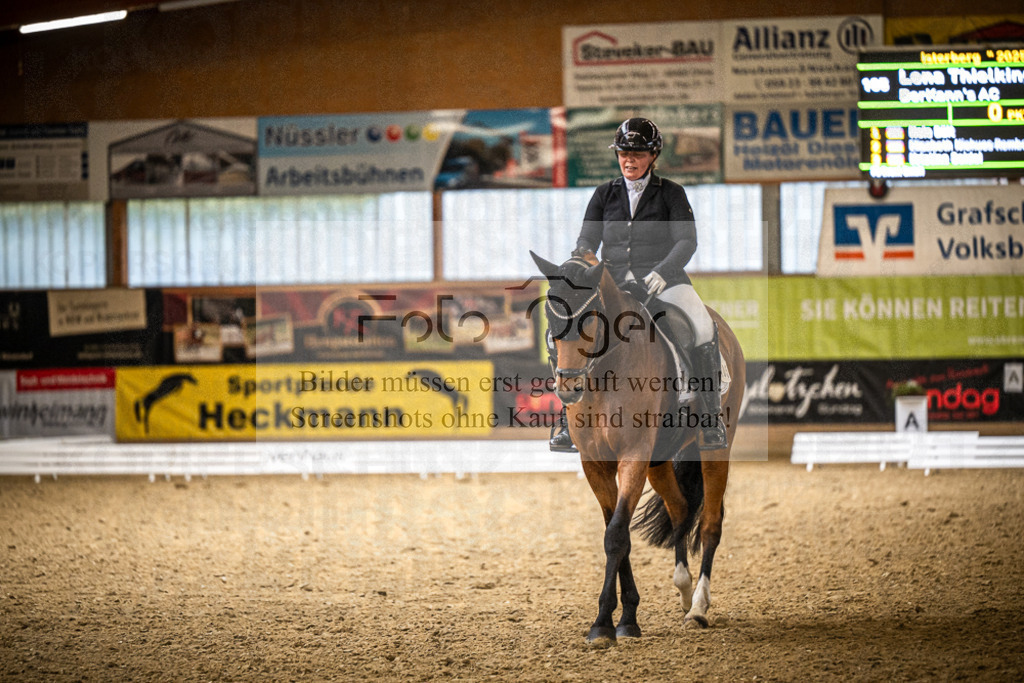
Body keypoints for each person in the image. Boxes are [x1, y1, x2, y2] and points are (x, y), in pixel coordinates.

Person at [548, 117, 727, 452]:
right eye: (623, 153)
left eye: (638, 153)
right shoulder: (604, 194)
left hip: (665, 281)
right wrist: (582, 262)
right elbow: (587, 241)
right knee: (569, 326)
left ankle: (711, 416)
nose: (629, 159)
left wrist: (660, 272)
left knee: (702, 327)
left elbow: (686, 241)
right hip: (612, 283)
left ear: (653, 155)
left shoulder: (672, 193)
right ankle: (566, 419)